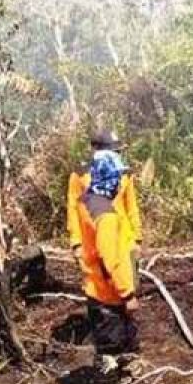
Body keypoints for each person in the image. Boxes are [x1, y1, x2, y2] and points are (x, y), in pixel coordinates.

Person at [76, 150, 140, 372]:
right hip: (109, 295)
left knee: (106, 347)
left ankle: (109, 383)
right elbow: (110, 259)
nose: (120, 183)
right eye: (117, 177)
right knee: (114, 350)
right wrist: (127, 294)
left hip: (95, 287)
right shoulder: (107, 216)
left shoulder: (86, 201)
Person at [67, 129, 142, 275]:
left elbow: (131, 207)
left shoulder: (125, 174)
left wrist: (137, 240)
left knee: (127, 289)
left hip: (124, 242)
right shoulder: (80, 175)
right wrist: (76, 243)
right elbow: (73, 210)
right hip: (94, 243)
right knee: (101, 291)